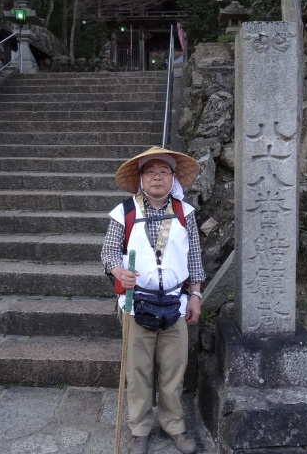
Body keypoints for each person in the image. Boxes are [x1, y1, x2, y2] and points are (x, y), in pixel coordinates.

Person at [101, 147, 205, 454]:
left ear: (173, 178)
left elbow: (194, 258)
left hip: (176, 301)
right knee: (137, 371)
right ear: (141, 178)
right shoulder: (124, 212)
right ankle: (140, 430)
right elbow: (108, 252)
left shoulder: (185, 213)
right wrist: (119, 271)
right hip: (136, 304)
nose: (157, 177)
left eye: (164, 171)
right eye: (150, 171)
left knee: (174, 369)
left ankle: (174, 425)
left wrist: (196, 295)